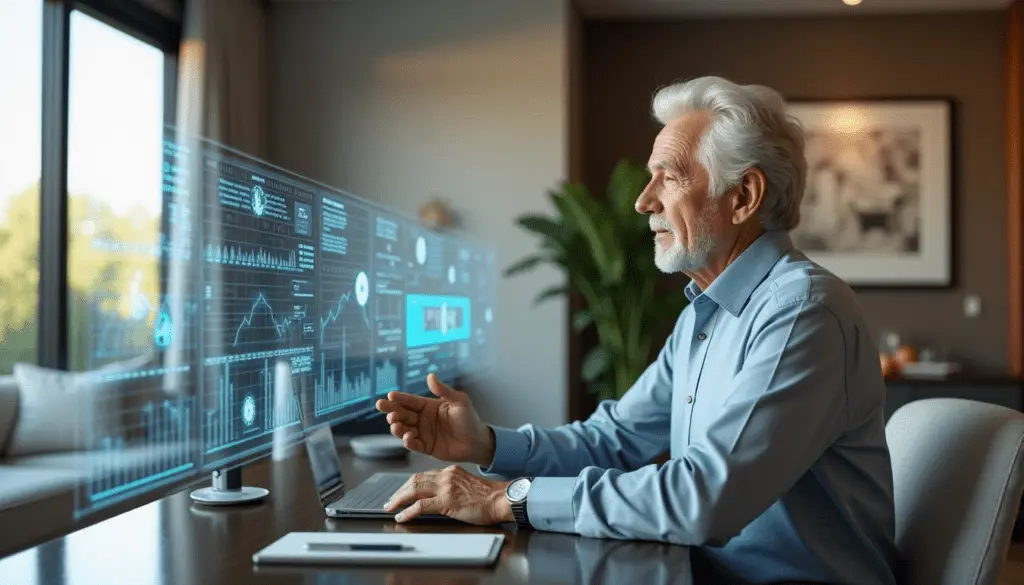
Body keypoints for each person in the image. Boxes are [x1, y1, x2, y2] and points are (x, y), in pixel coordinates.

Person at [375, 76, 898, 584]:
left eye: (668, 177)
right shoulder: (703, 314)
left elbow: (704, 500)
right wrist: (487, 445)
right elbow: (616, 439)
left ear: (742, 196)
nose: (643, 201)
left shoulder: (803, 314)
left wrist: (503, 498)